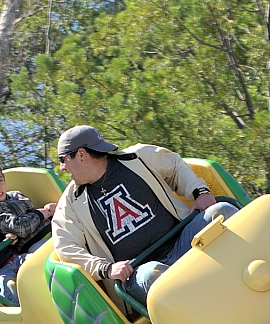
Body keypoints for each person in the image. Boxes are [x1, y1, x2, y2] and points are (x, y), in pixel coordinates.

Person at [51, 125, 237, 305]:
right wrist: (106, 268)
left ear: (81, 155)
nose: (62, 168)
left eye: (63, 159)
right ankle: (215, 310)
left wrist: (199, 192)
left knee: (222, 211)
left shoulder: (138, 157)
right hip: (140, 271)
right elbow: (66, 247)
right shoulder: (70, 203)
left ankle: (250, 275)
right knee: (153, 275)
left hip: (183, 242)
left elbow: (175, 167)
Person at [0, 160, 56, 295]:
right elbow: (19, 228)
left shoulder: (16, 195)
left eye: (0, 181)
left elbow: (34, 214)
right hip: (33, 245)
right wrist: (41, 213)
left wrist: (50, 210)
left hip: (53, 230)